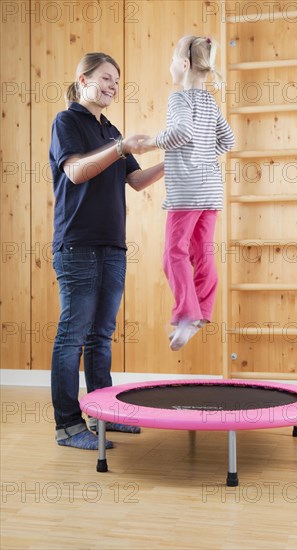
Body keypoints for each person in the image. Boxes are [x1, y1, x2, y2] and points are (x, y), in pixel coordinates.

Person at [49, 52, 164, 450]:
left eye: (117, 80)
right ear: (83, 79)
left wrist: (173, 160)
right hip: (77, 246)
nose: (112, 86)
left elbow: (136, 179)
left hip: (112, 247)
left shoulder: (111, 130)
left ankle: (104, 415)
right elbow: (76, 171)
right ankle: (68, 426)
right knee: (73, 337)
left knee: (101, 336)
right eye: (105, 78)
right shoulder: (67, 122)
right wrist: (119, 148)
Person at [140, 36, 234, 350]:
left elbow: (181, 133)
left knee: (173, 254)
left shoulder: (179, 98)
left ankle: (186, 314)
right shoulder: (210, 101)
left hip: (186, 192)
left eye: (172, 59)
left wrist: (152, 142)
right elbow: (228, 141)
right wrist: (205, 156)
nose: (170, 65)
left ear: (183, 64)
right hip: (210, 193)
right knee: (202, 252)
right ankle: (200, 312)